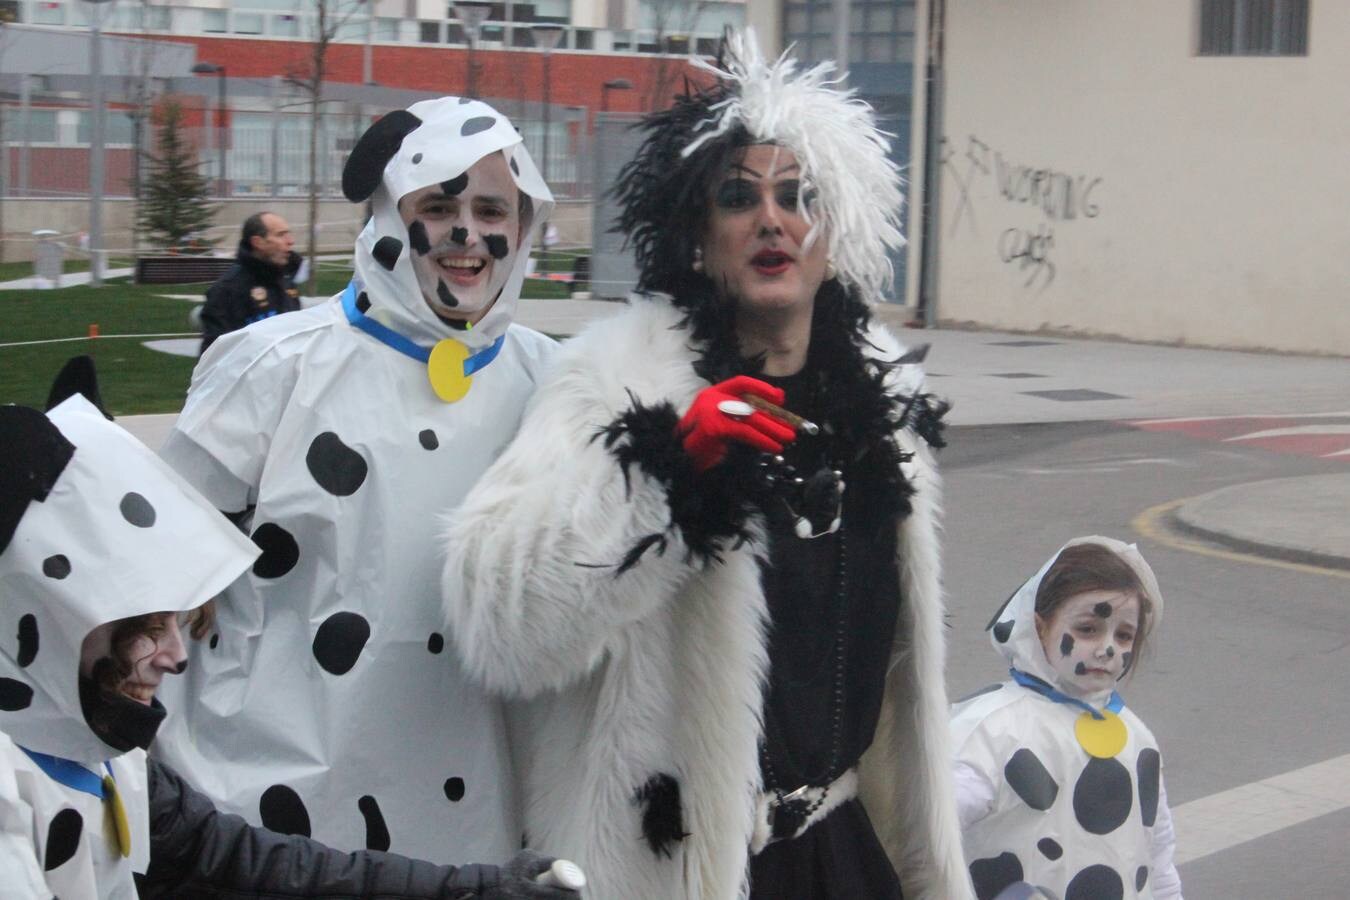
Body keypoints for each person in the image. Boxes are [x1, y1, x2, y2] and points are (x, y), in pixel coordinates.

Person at [440, 32, 972, 900]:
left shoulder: (883, 407)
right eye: (739, 197)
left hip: (845, 854)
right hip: (681, 867)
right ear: (697, 236)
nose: (773, 218)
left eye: (799, 196)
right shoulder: (618, 381)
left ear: (833, 233)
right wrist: (667, 476)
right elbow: (496, 621)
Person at [154, 98, 557, 862]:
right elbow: (159, 576)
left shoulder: (551, 380)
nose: (466, 233)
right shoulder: (274, 365)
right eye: (438, 205)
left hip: (472, 813)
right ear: (385, 212)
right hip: (277, 811)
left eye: (492, 208)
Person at [0, 383, 577, 899]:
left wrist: (472, 890)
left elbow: (234, 859)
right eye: (143, 628)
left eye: (173, 621)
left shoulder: (91, 743)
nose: (177, 655)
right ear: (45, 612)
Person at [950, 537, 1183, 900]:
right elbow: (927, 831)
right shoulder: (992, 729)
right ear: (1040, 626)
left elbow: (1158, 856)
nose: (1108, 649)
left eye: (1124, 636)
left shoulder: (1136, 739)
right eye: (1088, 628)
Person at [199, 211, 299, 354]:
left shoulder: (286, 280)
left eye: (288, 234)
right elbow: (213, 355)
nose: (290, 241)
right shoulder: (227, 289)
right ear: (258, 242)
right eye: (280, 235)